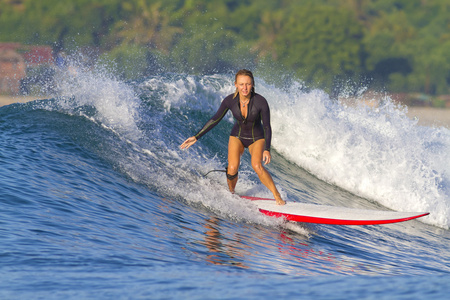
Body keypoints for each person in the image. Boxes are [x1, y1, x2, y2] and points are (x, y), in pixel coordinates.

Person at [180, 69, 286, 205]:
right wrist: (197, 136)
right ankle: (231, 194)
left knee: (257, 165)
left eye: (248, 84)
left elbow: (266, 126)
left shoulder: (261, 102)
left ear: (252, 84)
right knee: (232, 168)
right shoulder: (229, 100)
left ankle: (276, 195)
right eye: (241, 84)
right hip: (238, 135)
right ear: (236, 84)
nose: (245, 88)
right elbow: (215, 119)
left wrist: (267, 149)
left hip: (256, 138)